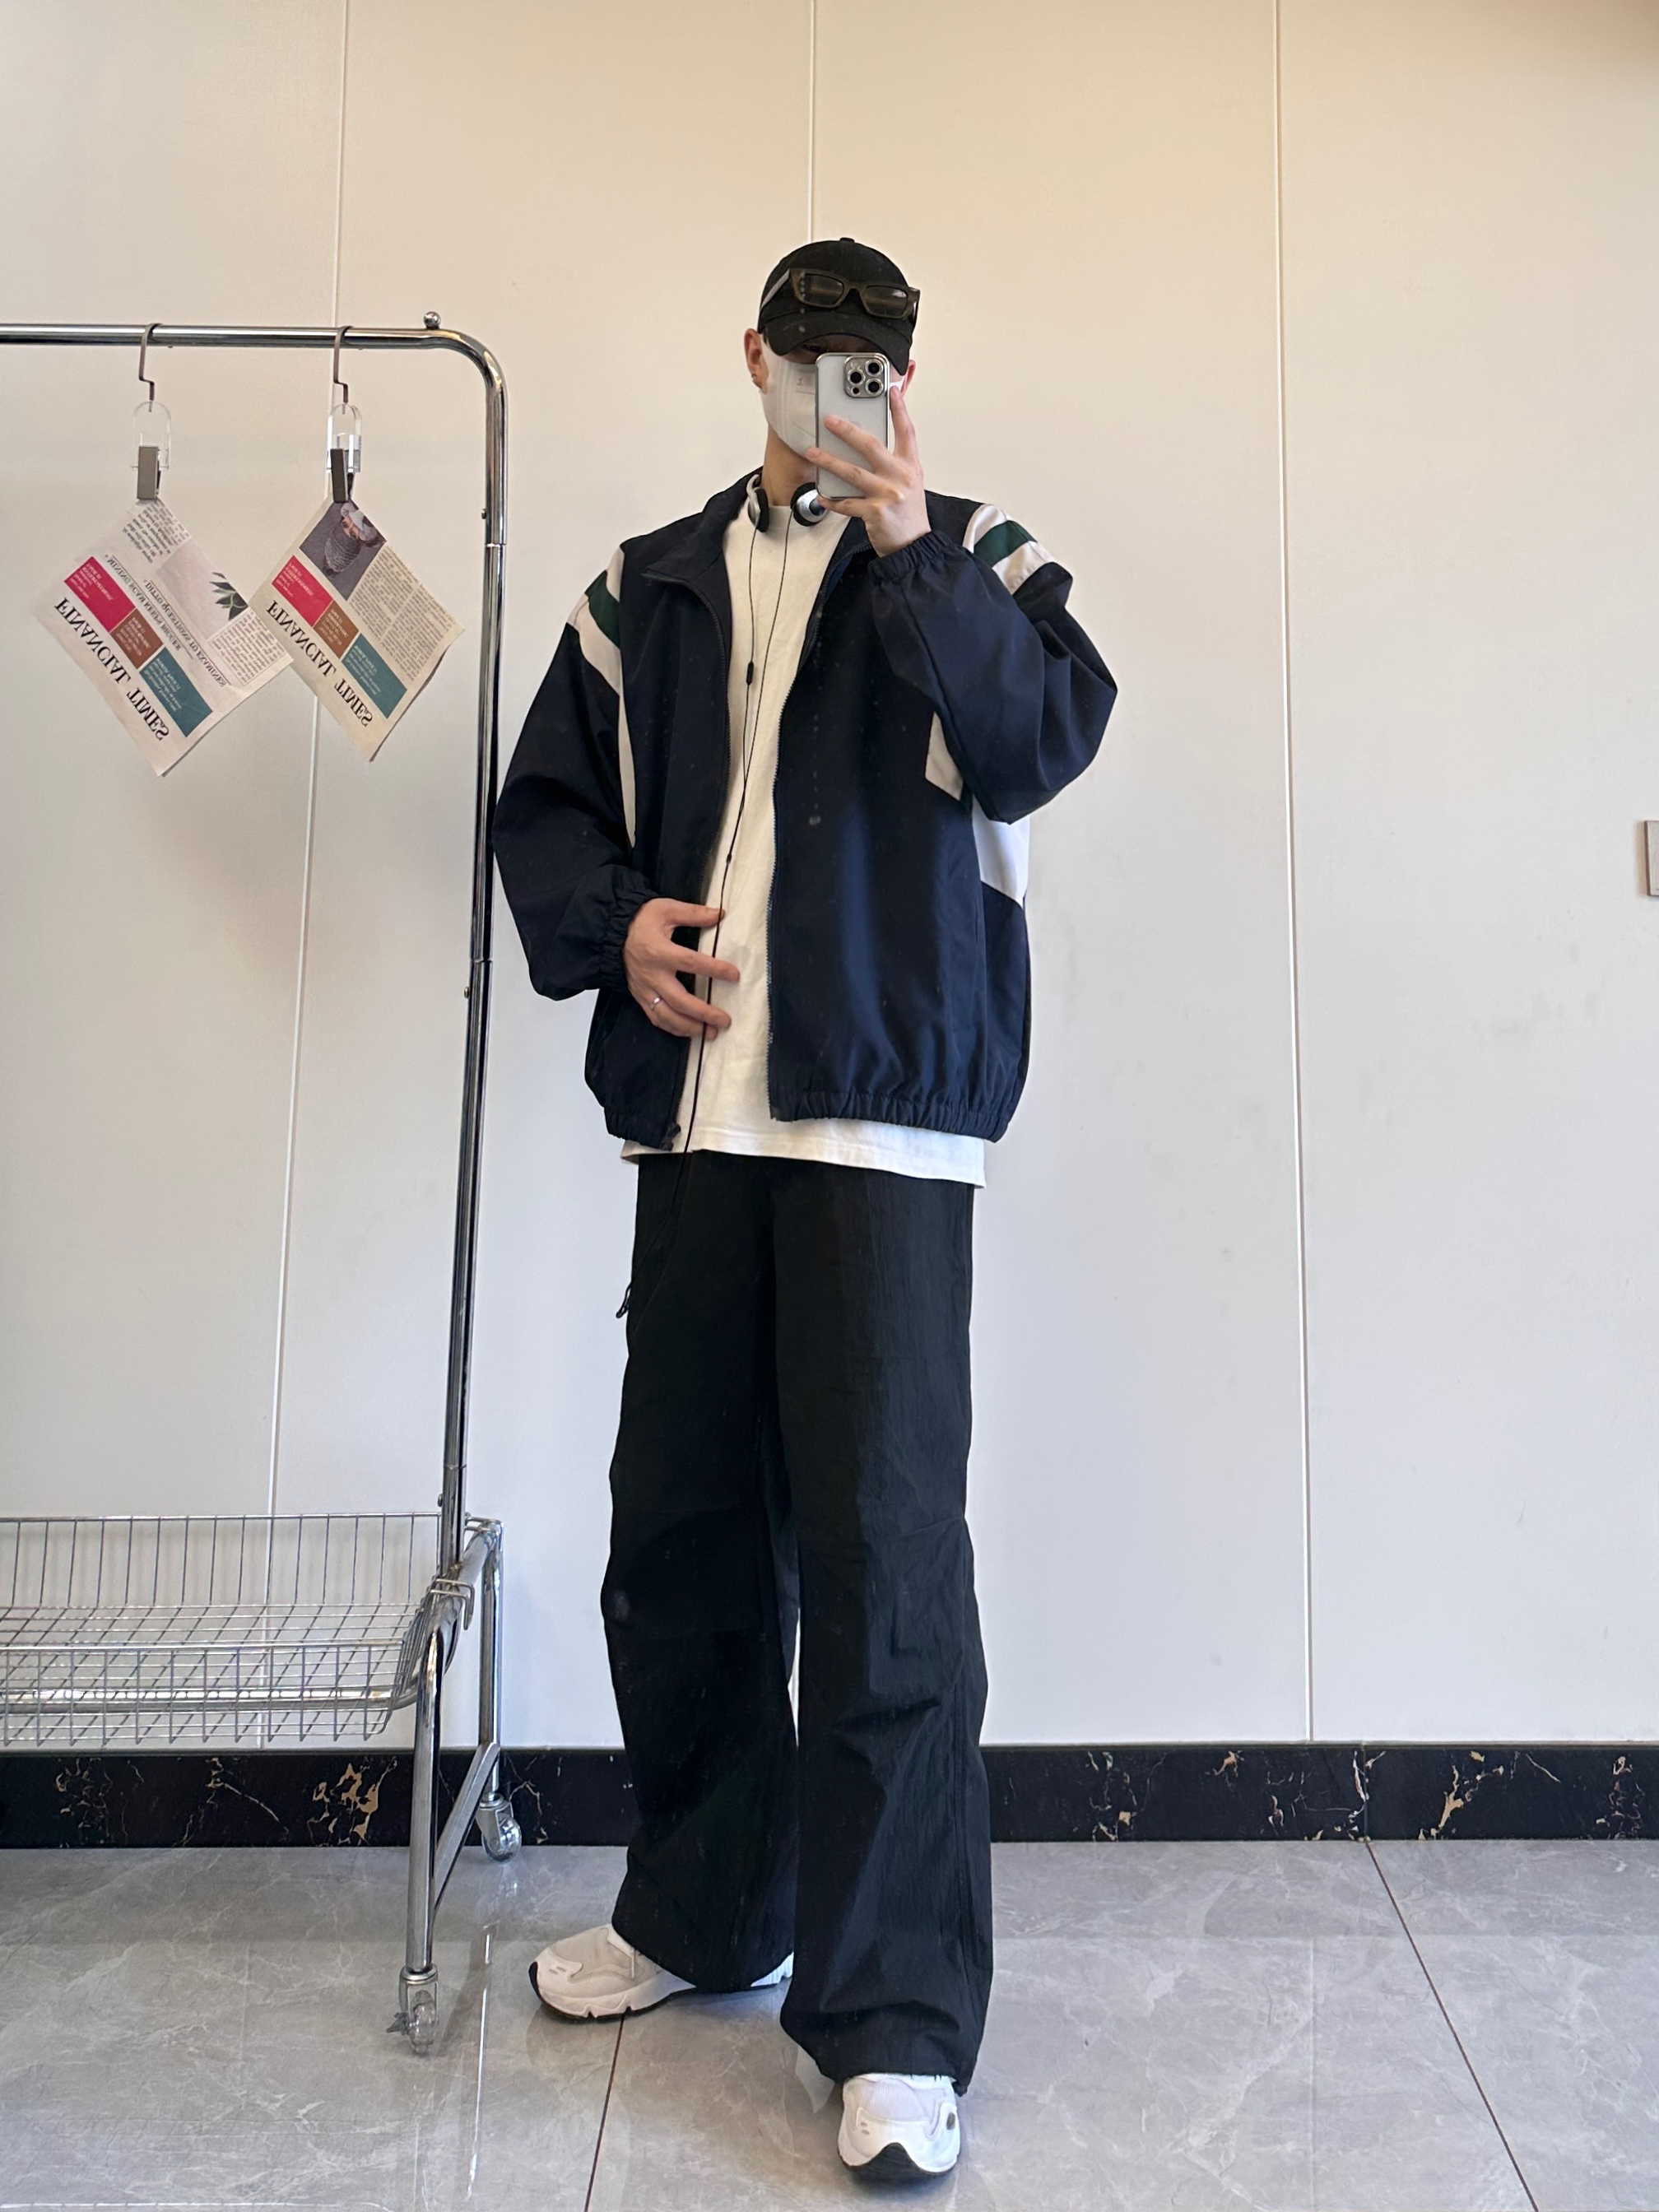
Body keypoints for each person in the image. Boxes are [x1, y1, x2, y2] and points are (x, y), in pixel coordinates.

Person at [494, 237, 1114, 2184]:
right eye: (818, 356)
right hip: (698, 1130)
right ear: (754, 356)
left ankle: (898, 2016)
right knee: (679, 1541)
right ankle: (705, 1910)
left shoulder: (978, 562)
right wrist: (620, 930)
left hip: (885, 1138)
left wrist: (915, 549)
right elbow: (545, 812)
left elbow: (1041, 742)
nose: (847, 388)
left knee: (883, 1567)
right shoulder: (648, 588)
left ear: (906, 375)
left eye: (879, 362)